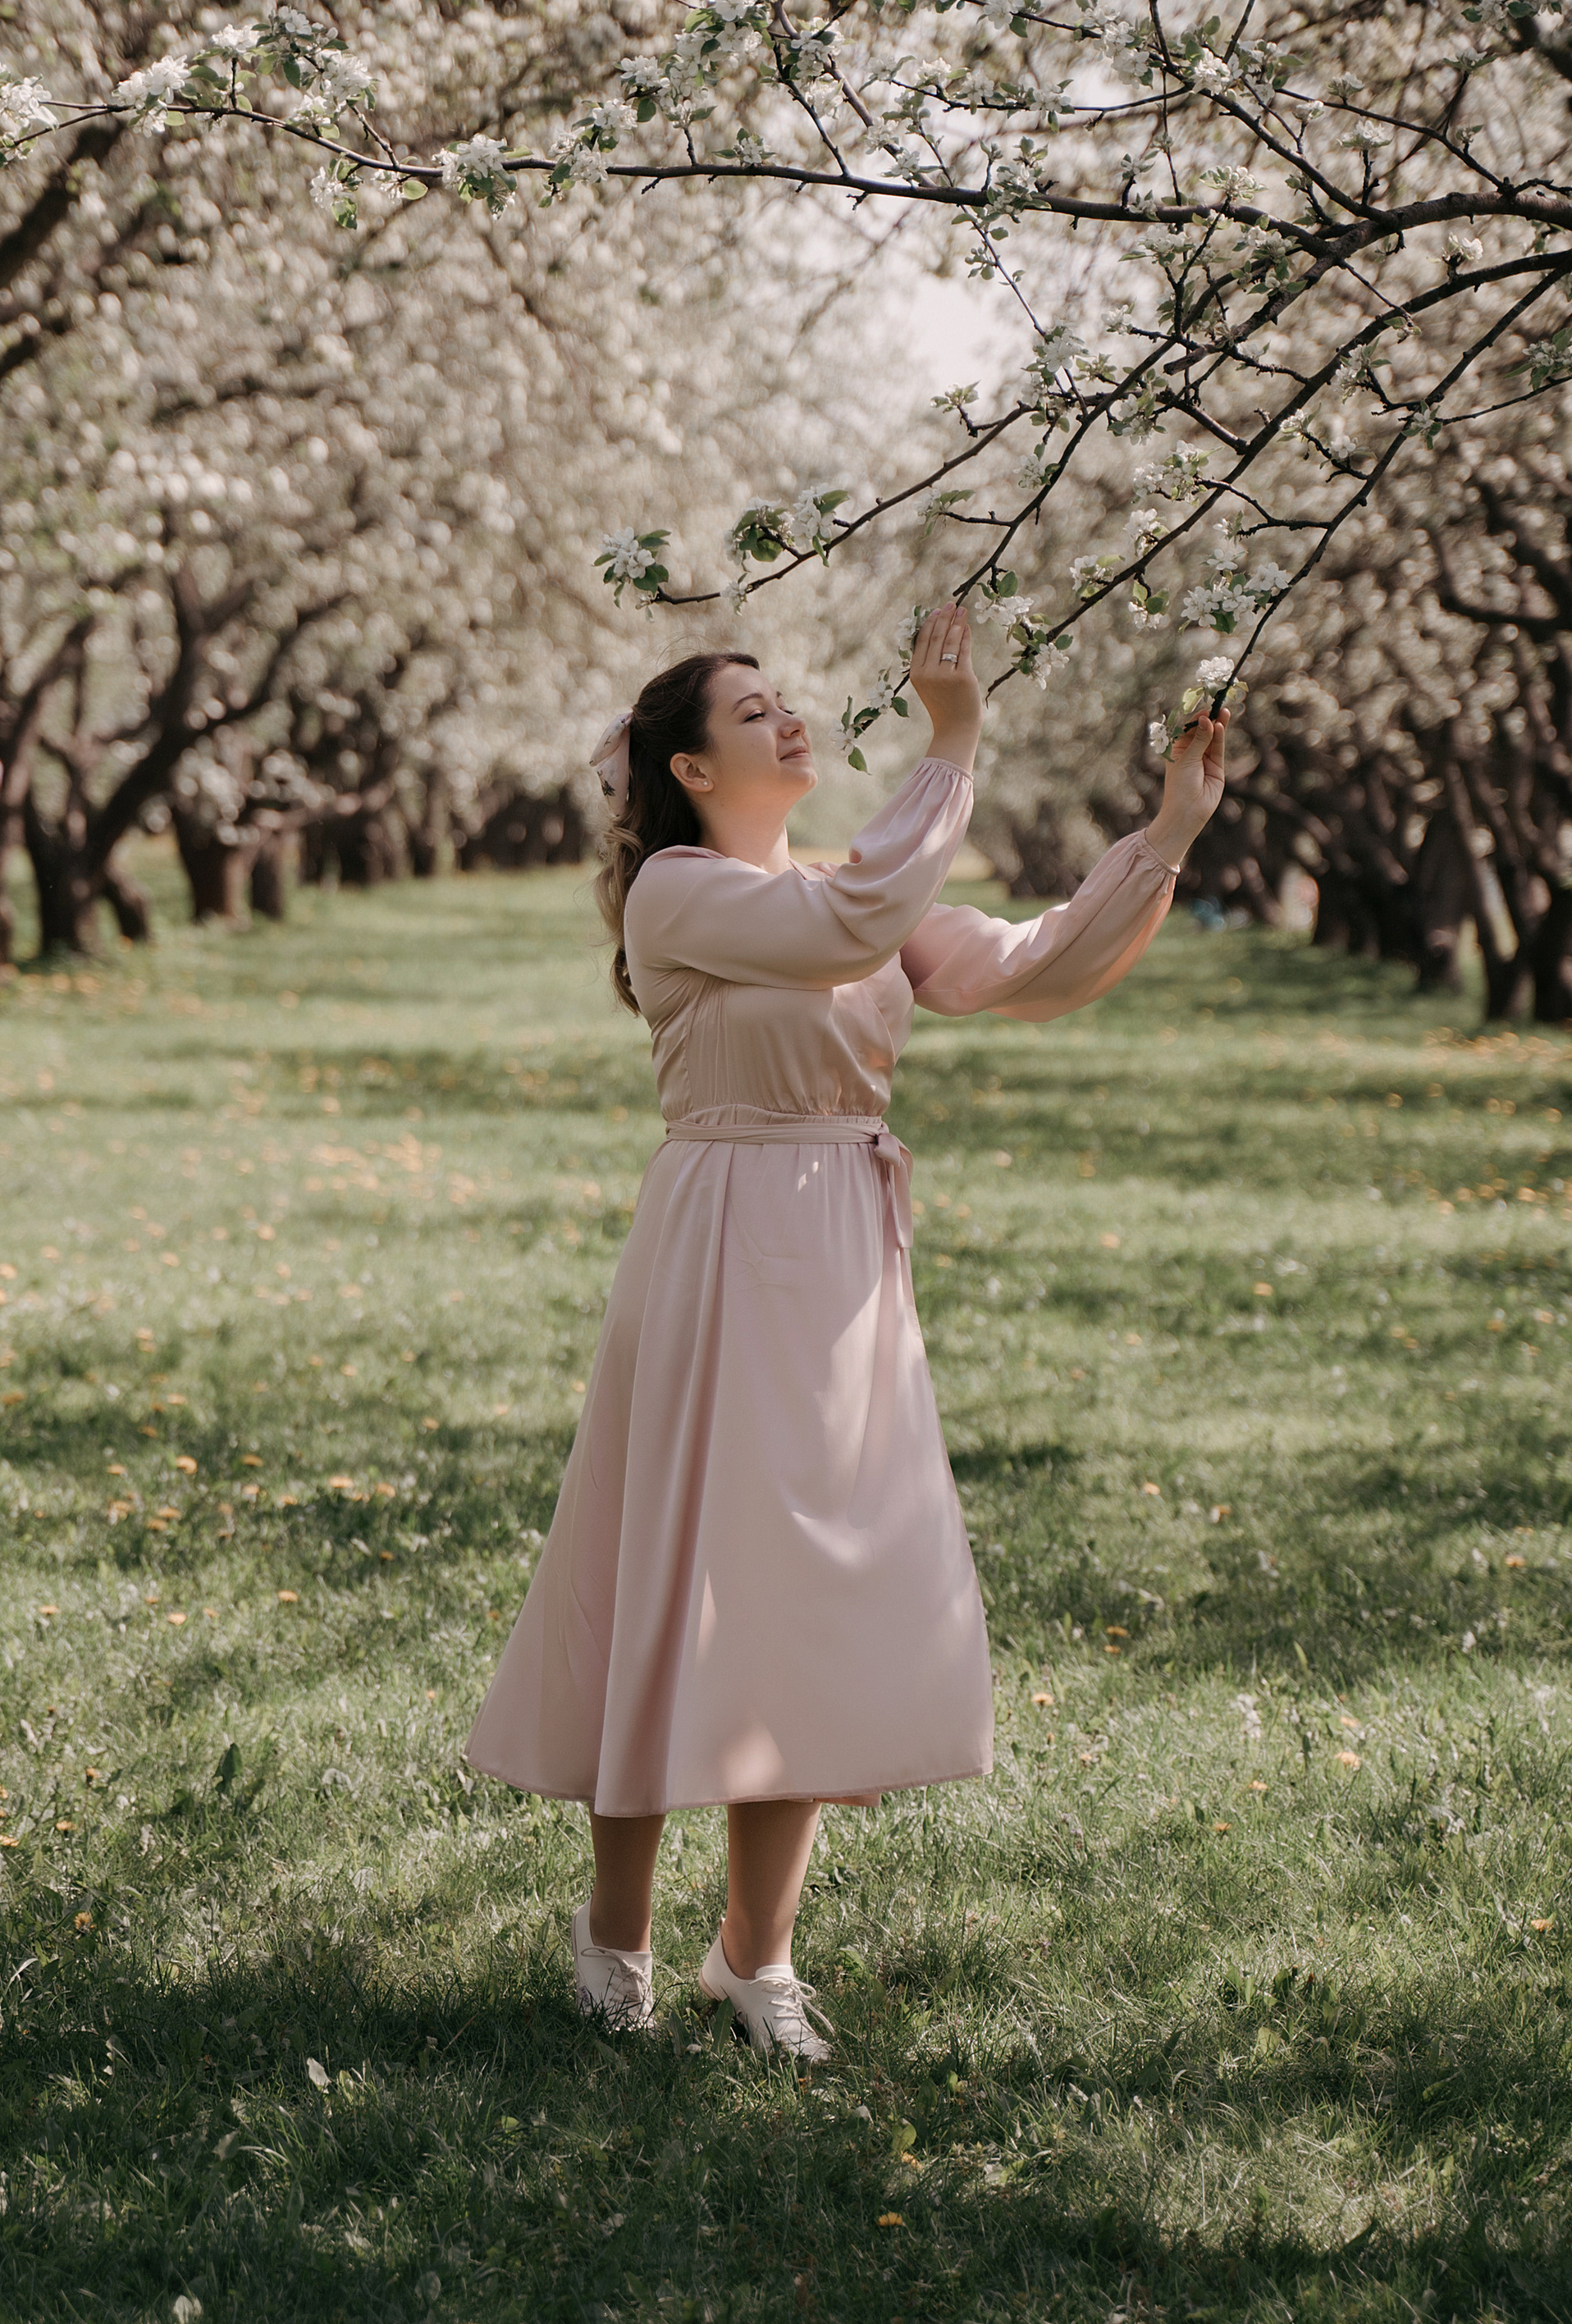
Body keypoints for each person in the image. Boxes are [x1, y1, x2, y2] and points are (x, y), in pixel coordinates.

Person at [464, 605, 1228, 2057]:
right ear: (687, 770)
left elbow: (1026, 965)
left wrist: (1167, 836)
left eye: (784, 701)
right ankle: (612, 1937)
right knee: (669, 1573)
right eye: (751, 713)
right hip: (715, 1248)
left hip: (841, 1265)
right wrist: (952, 742)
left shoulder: (843, 884)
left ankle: (755, 1958)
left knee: (803, 1593)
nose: (787, 721)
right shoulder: (682, 898)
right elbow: (846, 927)